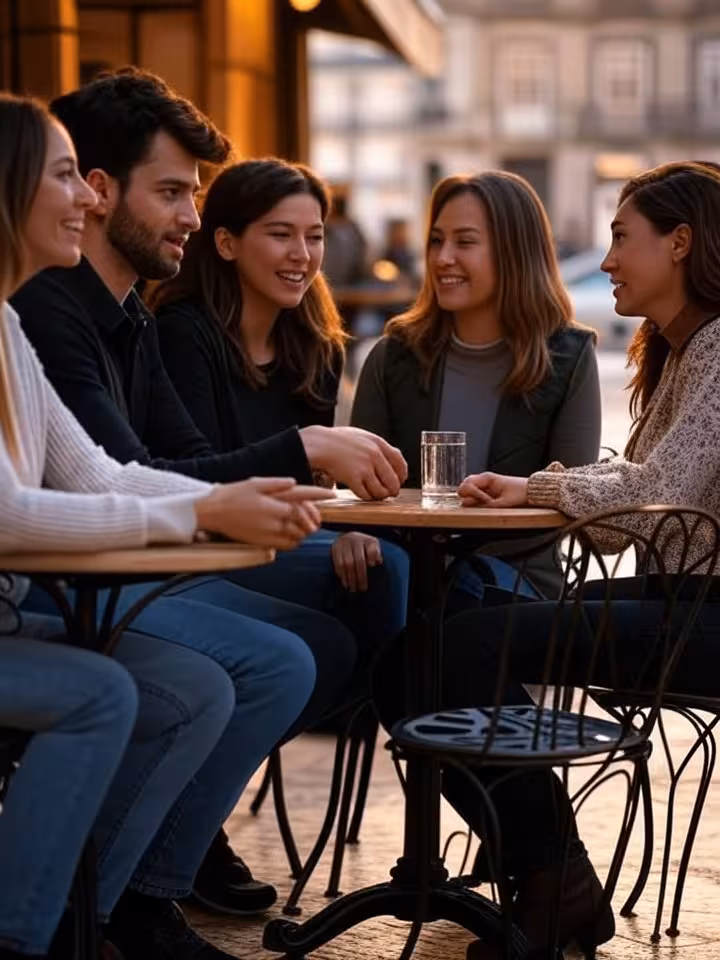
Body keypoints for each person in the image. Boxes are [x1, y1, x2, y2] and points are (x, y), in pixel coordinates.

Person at [11, 68, 405, 919]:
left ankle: (145, 873)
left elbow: (121, 471)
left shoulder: (108, 314)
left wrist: (232, 494)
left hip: (100, 568)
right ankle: (121, 904)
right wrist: (255, 477)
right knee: (268, 660)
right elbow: (77, 490)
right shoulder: (47, 311)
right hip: (66, 582)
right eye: (175, 192)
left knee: (361, 606)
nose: (194, 213)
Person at [378, 160, 720, 958]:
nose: (605, 262)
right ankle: (550, 872)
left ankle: (547, 873)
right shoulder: (682, 351)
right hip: (673, 602)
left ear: (679, 244)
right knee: (415, 658)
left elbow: (657, 495)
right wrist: (545, 488)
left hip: (703, 617)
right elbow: (622, 515)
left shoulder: (716, 348)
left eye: (620, 240)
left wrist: (541, 485)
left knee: (451, 648)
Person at [150, 157, 409, 662]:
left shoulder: (318, 344)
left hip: (285, 539)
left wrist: (348, 530)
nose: (302, 255)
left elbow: (314, 485)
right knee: (385, 580)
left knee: (384, 562)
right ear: (226, 243)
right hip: (202, 546)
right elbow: (204, 474)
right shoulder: (180, 333)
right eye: (280, 234)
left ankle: (388, 729)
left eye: (314, 236)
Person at [352, 170, 601, 606]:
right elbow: (359, 493)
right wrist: (354, 534)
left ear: (515, 252)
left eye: (464, 242)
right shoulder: (393, 357)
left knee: (459, 606)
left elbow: (572, 496)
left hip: (515, 583)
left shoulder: (568, 357)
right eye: (436, 240)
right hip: (403, 576)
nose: (443, 257)